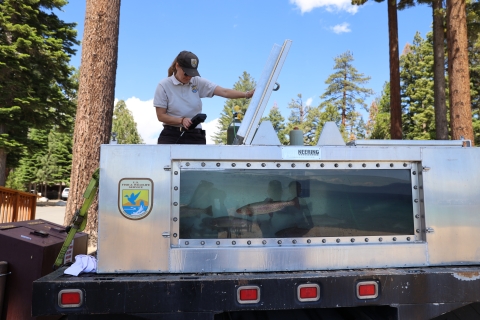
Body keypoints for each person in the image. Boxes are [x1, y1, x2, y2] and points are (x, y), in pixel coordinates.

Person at [153, 51, 255, 144]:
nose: (189, 77)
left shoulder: (197, 82)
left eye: (191, 74)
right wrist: (181, 120)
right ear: (177, 66)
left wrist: (247, 94)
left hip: (195, 136)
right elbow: (161, 116)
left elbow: (224, 92)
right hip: (170, 136)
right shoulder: (163, 85)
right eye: (186, 73)